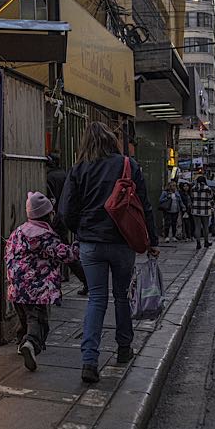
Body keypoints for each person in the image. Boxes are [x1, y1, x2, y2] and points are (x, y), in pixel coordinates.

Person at [58, 122, 159, 385]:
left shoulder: (78, 169)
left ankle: (89, 361)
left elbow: (65, 210)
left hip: (91, 243)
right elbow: (144, 205)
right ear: (111, 141)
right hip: (122, 241)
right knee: (121, 297)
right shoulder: (128, 165)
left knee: (96, 299)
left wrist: (80, 229)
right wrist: (152, 239)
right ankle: (124, 348)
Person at [5, 192, 79, 372]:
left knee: (24, 317)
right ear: (47, 215)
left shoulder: (19, 231)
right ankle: (30, 344)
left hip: (16, 286)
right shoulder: (45, 235)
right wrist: (77, 245)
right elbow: (66, 255)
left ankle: (21, 342)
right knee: (38, 320)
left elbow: (8, 252)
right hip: (37, 288)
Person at [46, 153, 88, 295]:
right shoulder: (64, 174)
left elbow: (50, 198)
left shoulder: (49, 177)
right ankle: (80, 279)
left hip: (54, 218)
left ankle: (84, 280)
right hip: (63, 215)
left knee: (60, 252)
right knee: (64, 251)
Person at [191, 176, 213, 249]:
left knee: (197, 227)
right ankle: (206, 242)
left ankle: (198, 243)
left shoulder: (193, 188)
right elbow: (210, 197)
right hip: (205, 209)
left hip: (195, 210)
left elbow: (192, 197)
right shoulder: (208, 188)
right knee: (205, 226)